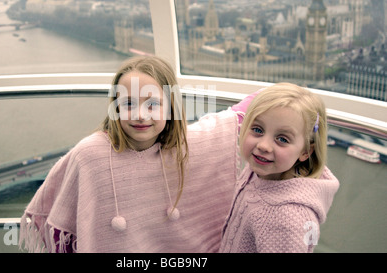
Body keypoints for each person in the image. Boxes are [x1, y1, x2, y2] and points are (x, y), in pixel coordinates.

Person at [19, 55, 257, 252]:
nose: (140, 115)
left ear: (170, 106)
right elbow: (61, 227)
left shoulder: (186, 145)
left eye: (153, 104)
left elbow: (240, 113)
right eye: (129, 104)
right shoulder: (90, 156)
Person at [219, 83, 340, 253]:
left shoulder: (285, 220)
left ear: (306, 151)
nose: (264, 146)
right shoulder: (261, 169)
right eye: (257, 129)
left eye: (282, 139)